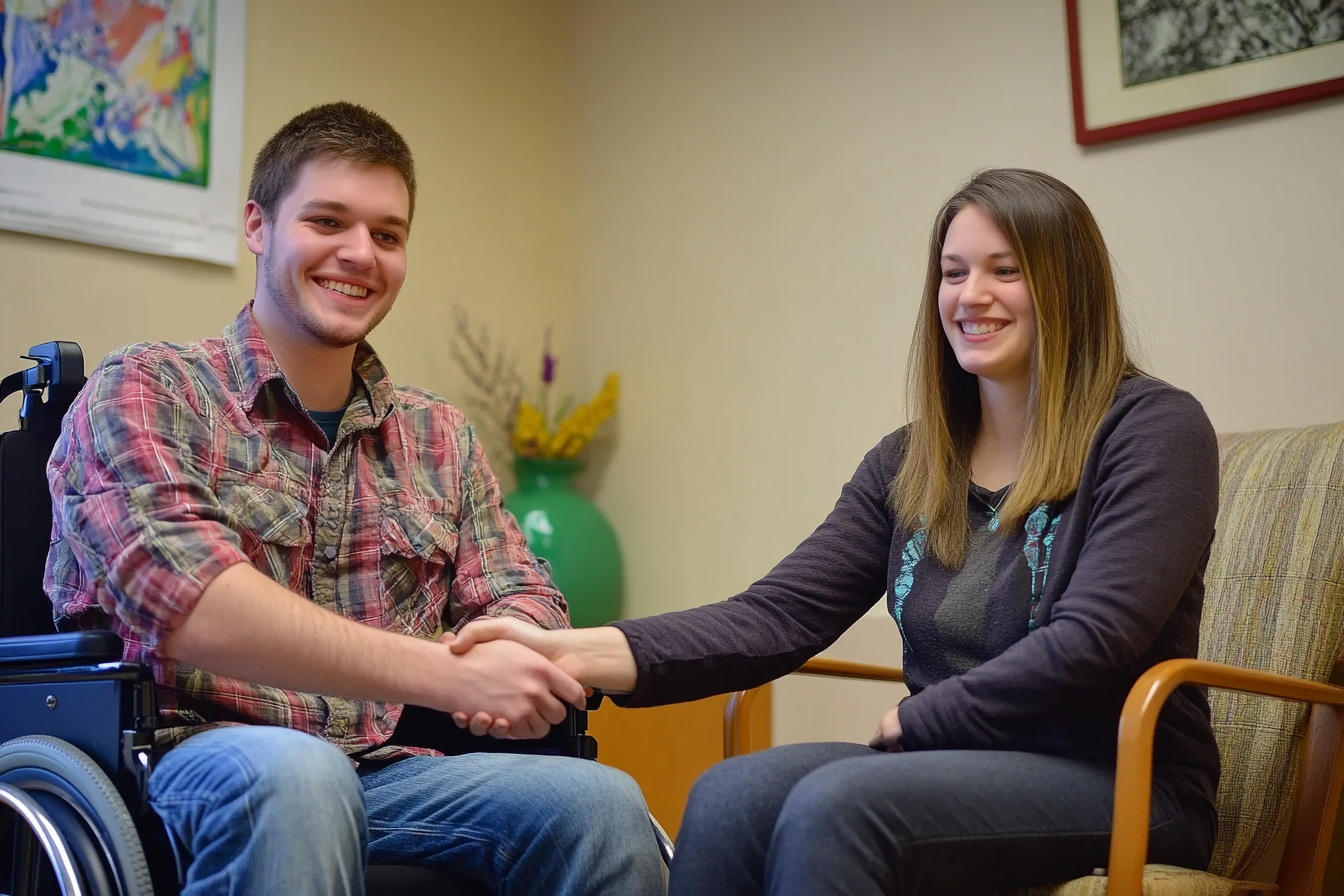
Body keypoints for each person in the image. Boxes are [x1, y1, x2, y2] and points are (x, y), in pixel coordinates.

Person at [450, 168, 1222, 895]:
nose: (971, 295)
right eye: (953, 273)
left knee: (837, 804)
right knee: (730, 794)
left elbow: (1097, 638)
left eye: (1005, 270)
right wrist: (566, 651)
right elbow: (776, 616)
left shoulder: (1153, 429)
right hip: (949, 764)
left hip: (1124, 782)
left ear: (1069, 287)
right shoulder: (912, 462)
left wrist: (918, 719)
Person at [45, 102, 665, 896]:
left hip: (384, 771)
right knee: (301, 777)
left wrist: (512, 648)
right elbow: (192, 605)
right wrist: (449, 675)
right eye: (328, 220)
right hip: (181, 763)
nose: (359, 253)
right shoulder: (145, 388)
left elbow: (520, 591)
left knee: (600, 804)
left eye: (387, 234)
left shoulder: (439, 435)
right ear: (257, 225)